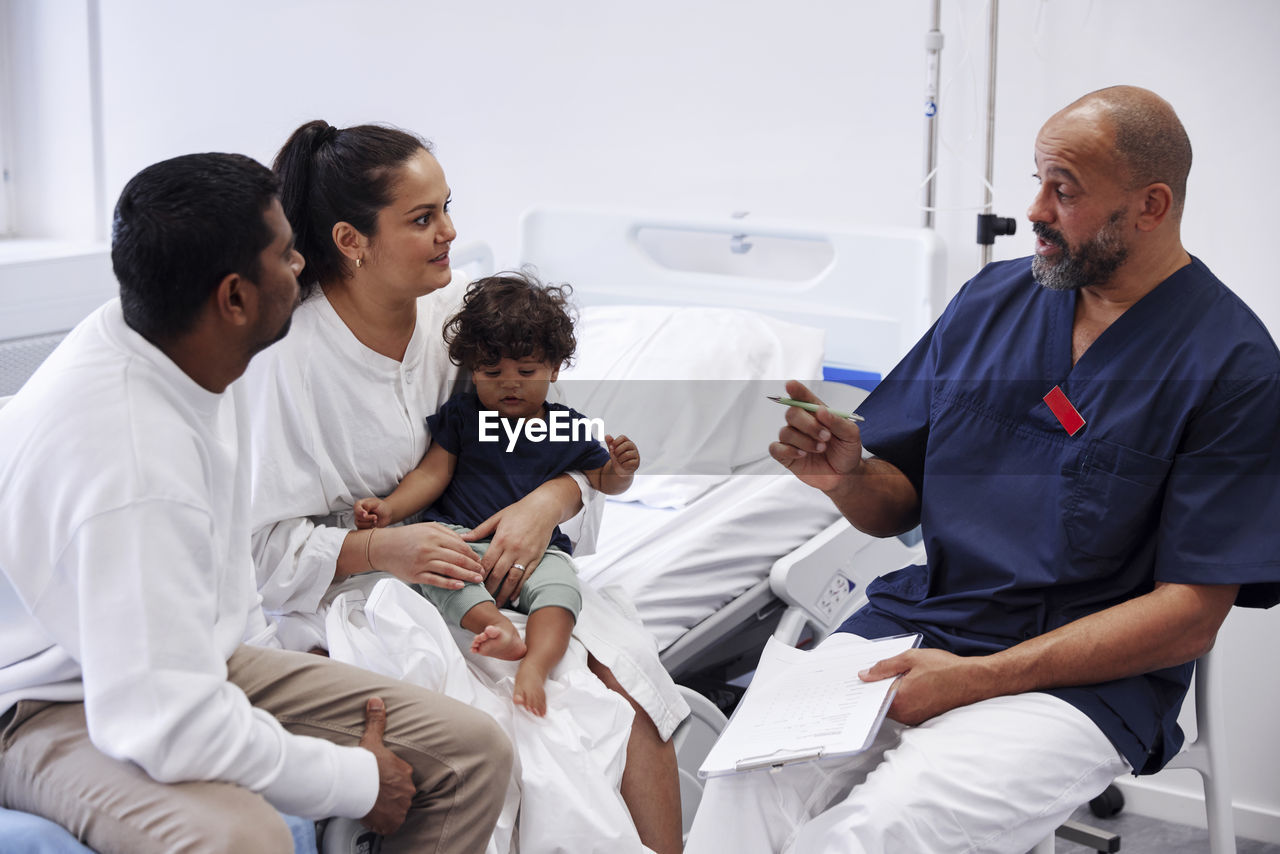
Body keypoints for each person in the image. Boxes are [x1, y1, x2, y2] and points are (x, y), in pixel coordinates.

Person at [686, 85, 1280, 853]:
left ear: (1150, 206)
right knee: (749, 776)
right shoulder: (993, 301)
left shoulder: (1232, 367)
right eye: (1036, 179)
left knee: (885, 826)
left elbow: (1190, 614)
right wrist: (849, 477)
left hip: (1084, 682)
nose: (1034, 209)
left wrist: (976, 679)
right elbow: (897, 502)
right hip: (926, 623)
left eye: (1062, 190)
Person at [0, 153, 512, 854]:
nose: (303, 267)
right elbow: (162, 722)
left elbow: (223, 599)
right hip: (48, 700)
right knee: (243, 838)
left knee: (472, 749)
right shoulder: (134, 459)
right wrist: (353, 780)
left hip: (198, 661)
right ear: (235, 297)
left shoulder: (190, 349)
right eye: (286, 255)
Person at [243, 120, 685, 854]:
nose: (450, 231)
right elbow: (261, 554)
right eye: (423, 219)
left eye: (448, 206)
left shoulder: (461, 323)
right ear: (352, 242)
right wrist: (385, 546)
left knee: (630, 689)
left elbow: (550, 439)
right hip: (352, 590)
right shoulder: (285, 363)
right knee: (520, 738)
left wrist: (553, 499)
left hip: (487, 554)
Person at [354, 272, 641, 716]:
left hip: (539, 552)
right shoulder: (464, 417)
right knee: (444, 579)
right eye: (492, 373)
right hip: (462, 538)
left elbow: (602, 481)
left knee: (561, 594)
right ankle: (497, 629)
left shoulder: (567, 426)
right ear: (472, 370)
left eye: (526, 372)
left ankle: (536, 666)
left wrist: (621, 469)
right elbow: (431, 475)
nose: (510, 384)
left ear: (554, 369)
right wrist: (389, 508)